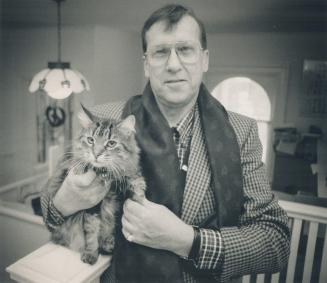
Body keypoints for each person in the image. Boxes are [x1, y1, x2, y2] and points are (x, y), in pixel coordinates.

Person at [41, 4, 290, 283]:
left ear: (204, 59)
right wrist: (63, 202)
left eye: (185, 49)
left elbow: (275, 241)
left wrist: (188, 241)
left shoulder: (242, 131)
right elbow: (49, 212)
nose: (173, 64)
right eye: (160, 52)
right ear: (146, 64)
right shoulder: (105, 119)